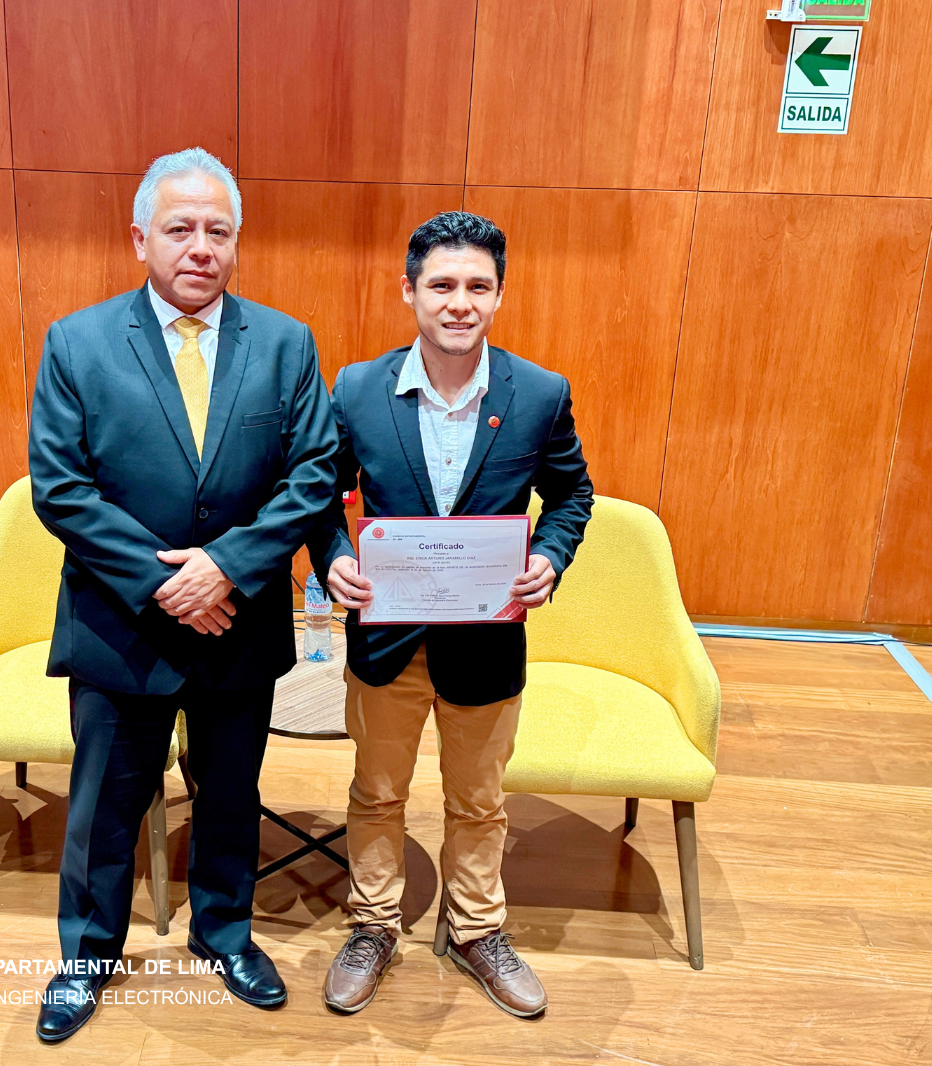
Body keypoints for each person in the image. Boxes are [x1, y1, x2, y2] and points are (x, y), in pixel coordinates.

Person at [27, 147, 338, 1044]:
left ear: (236, 242)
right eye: (180, 229)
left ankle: (224, 933)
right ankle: (87, 956)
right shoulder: (78, 342)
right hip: (123, 623)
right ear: (140, 239)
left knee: (231, 792)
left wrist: (226, 565)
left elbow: (314, 472)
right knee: (105, 806)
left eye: (218, 231)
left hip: (239, 619)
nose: (201, 247)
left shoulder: (284, 343)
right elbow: (61, 488)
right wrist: (170, 582)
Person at [308, 211, 592, 1018]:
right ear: (409, 292)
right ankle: (372, 924)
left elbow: (572, 494)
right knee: (376, 792)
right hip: (386, 637)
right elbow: (318, 495)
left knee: (479, 801)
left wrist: (551, 558)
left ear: (499, 295)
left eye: (477, 286)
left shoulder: (539, 394)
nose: (459, 302)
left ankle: (476, 929)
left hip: (487, 640)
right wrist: (331, 558)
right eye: (441, 285)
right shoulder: (357, 388)